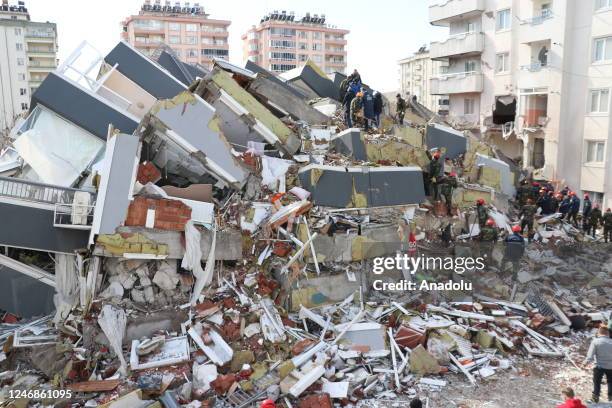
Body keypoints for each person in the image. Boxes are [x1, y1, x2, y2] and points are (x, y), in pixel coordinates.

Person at [584, 326, 612, 403]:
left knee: (597, 381)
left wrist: (585, 363)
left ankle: (595, 397)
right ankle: (611, 398)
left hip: (600, 366)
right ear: (607, 333)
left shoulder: (595, 341)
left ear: (599, 333)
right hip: (611, 366)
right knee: (610, 381)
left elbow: (590, 356)